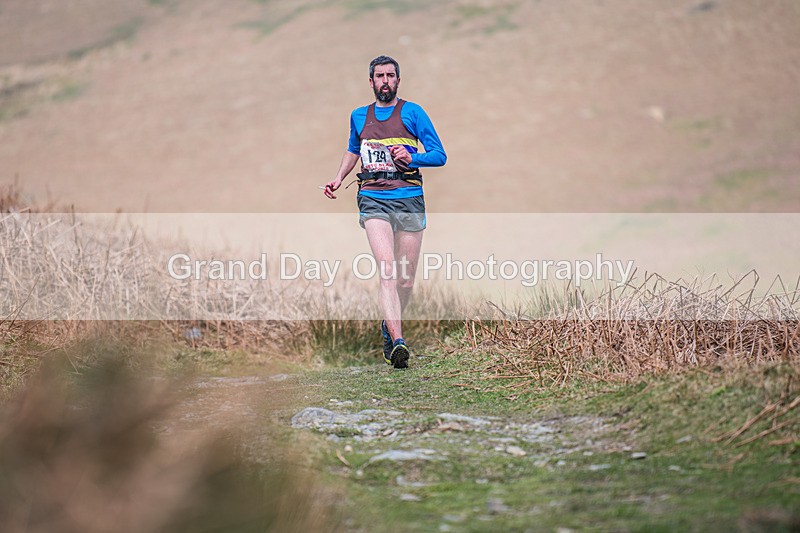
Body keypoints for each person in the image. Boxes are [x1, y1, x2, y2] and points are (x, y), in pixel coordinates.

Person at [323, 55, 447, 369]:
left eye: (391, 76)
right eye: (379, 76)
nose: (385, 81)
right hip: (373, 196)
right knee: (388, 270)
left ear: (398, 80)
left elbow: (439, 155)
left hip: (409, 197)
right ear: (371, 81)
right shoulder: (359, 116)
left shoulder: (413, 112)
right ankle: (399, 342)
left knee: (405, 280)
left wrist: (412, 156)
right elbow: (353, 148)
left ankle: (388, 325)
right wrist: (339, 177)